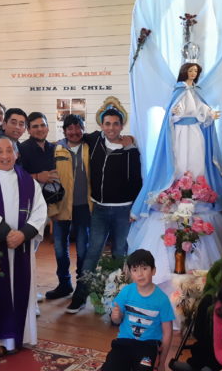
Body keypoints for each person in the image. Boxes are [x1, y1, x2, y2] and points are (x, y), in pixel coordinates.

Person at [128, 62, 222, 286]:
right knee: (179, 161)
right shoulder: (178, 91)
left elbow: (203, 112)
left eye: (196, 72)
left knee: (196, 161)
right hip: (180, 132)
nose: (193, 74)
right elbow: (170, 116)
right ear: (185, 72)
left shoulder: (196, 93)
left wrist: (210, 114)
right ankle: (177, 187)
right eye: (191, 71)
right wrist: (174, 115)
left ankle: (194, 188)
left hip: (196, 133)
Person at [0, 135, 47, 355]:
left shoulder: (28, 181)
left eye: (9, 151)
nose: (5, 156)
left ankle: (18, 337)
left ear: (16, 154)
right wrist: (6, 233)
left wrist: (23, 234)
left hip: (21, 245)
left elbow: (40, 211)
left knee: (20, 289)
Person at [68, 108, 142, 313]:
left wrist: (134, 208)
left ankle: (118, 297)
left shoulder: (132, 150)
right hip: (99, 209)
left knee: (120, 253)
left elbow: (137, 181)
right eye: (107, 123)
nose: (111, 128)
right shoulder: (94, 141)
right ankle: (80, 295)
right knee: (92, 253)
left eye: (115, 124)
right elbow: (73, 137)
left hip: (123, 210)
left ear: (121, 126)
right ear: (101, 125)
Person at [102, 249, 174, 371]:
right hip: (124, 342)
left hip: (148, 346)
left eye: (144, 269)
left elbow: (168, 332)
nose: (140, 274)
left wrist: (162, 362)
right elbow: (116, 320)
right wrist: (116, 316)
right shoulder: (126, 292)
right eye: (135, 270)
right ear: (130, 273)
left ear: (153, 270)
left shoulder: (162, 300)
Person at [46, 114, 92, 299]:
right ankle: (64, 284)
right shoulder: (56, 149)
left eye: (78, 127)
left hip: (84, 207)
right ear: (64, 131)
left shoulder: (91, 147)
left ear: (83, 129)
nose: (74, 132)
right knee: (59, 248)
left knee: (82, 248)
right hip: (61, 206)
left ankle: (82, 285)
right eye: (70, 128)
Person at [20, 112, 59, 184]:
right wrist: (37, 176)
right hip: (31, 194)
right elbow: (16, 177)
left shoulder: (54, 148)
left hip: (56, 193)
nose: (40, 129)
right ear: (28, 130)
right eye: (35, 126)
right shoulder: (21, 149)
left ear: (48, 128)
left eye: (43, 125)